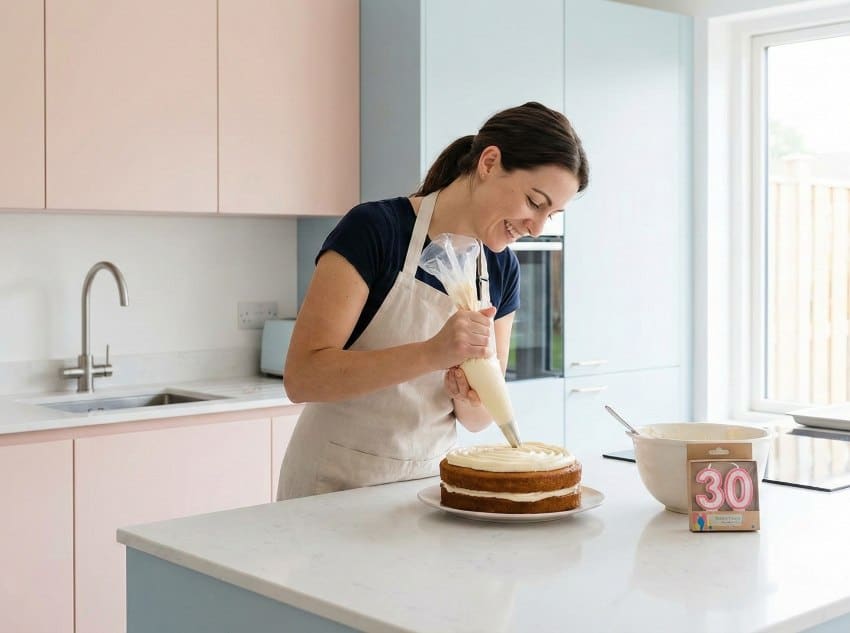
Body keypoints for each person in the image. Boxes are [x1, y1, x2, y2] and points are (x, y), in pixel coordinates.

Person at [277, 101, 589, 500]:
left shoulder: (502, 270)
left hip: (430, 490)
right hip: (335, 484)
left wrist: (468, 395)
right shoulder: (375, 230)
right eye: (534, 202)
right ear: (489, 162)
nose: (537, 227)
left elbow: (477, 420)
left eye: (553, 214)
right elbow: (303, 377)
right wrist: (432, 353)